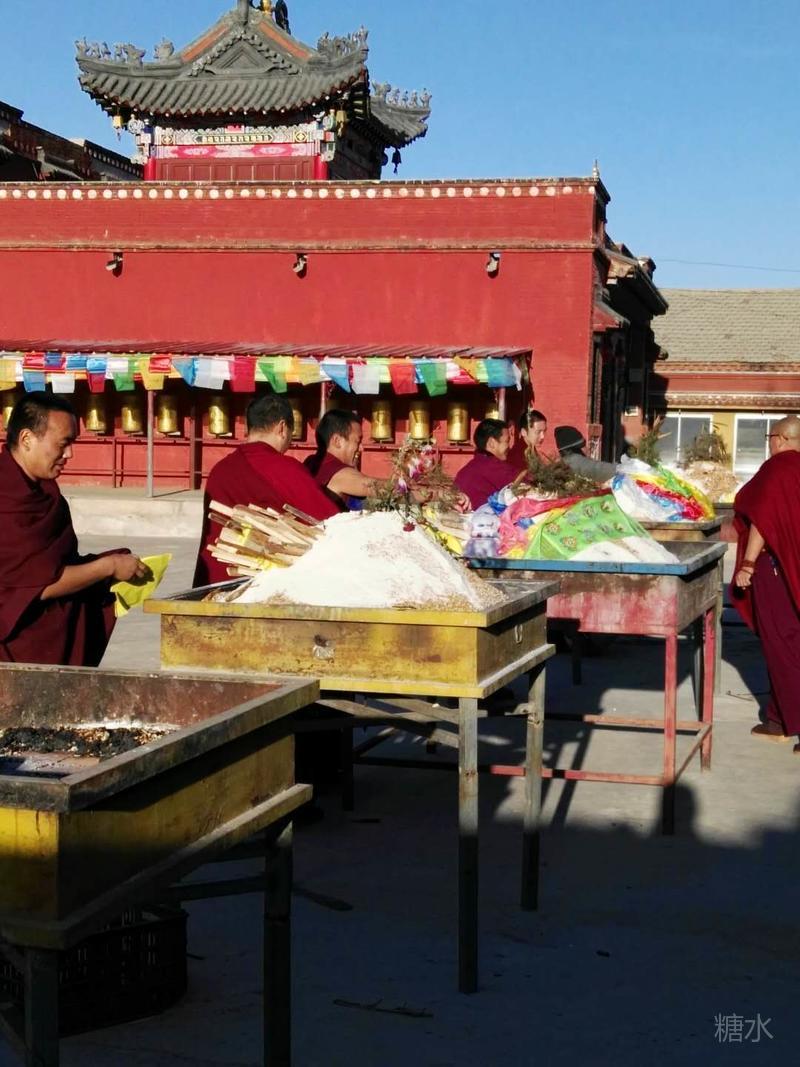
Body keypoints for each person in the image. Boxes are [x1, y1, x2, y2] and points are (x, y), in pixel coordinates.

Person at [0, 392, 146, 665]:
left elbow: (58, 565)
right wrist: (107, 567)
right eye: (63, 443)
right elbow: (34, 586)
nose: (69, 454)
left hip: (52, 642)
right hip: (12, 651)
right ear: (27, 439)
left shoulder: (48, 496)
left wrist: (104, 567)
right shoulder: (6, 499)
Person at [193, 393, 339, 587]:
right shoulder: (283, 468)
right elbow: (332, 522)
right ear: (282, 428)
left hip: (211, 582)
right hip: (255, 586)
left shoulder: (219, 470)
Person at [731, 414, 800, 749]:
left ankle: (793, 720)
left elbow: (764, 518)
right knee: (788, 641)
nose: (769, 443)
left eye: (770, 437)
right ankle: (778, 718)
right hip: (794, 566)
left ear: (781, 439)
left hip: (775, 569)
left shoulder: (778, 468)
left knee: (783, 643)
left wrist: (747, 563)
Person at [304, 409, 376, 510]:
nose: (361, 448)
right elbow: (384, 489)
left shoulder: (310, 461)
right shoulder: (337, 471)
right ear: (337, 441)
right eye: (357, 441)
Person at [454, 418, 518, 510]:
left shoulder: (470, 467)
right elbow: (524, 485)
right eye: (507, 441)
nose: (509, 446)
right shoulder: (493, 466)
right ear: (492, 443)